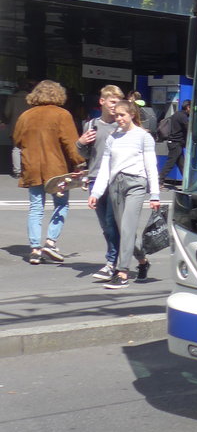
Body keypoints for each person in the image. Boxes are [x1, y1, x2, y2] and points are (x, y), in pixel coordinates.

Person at [12, 80, 86, 265]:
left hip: (32, 167)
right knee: (61, 204)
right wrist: (79, 164)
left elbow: (17, 140)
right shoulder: (62, 114)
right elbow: (71, 143)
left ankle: (35, 249)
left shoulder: (26, 115)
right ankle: (50, 243)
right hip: (56, 169)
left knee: (36, 207)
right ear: (59, 94)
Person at [88, 100, 161, 289]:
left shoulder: (144, 137)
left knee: (127, 227)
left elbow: (151, 167)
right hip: (115, 184)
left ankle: (122, 272)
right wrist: (96, 192)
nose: (118, 119)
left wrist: (155, 194)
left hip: (136, 184)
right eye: (116, 115)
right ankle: (143, 262)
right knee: (125, 231)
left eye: (122, 115)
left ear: (132, 115)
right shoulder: (113, 137)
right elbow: (105, 167)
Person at [77, 85, 125, 281]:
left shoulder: (123, 125)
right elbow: (87, 154)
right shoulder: (91, 125)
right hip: (95, 178)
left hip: (117, 179)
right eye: (112, 102)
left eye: (118, 102)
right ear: (102, 102)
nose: (115, 107)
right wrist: (80, 143)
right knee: (106, 226)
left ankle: (112, 262)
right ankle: (130, 256)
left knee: (113, 223)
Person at [158, 99, 190, 184]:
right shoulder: (183, 117)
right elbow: (189, 129)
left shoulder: (176, 114)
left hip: (174, 143)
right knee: (170, 164)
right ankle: (159, 181)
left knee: (182, 165)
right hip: (176, 143)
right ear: (188, 107)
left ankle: (188, 183)